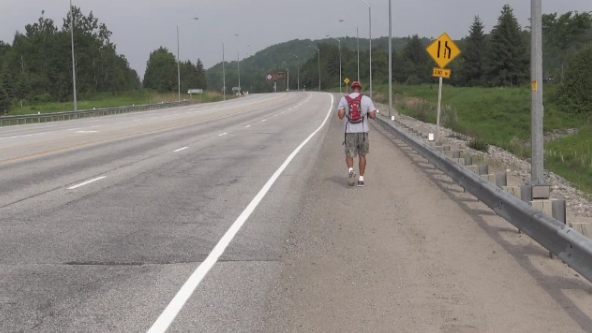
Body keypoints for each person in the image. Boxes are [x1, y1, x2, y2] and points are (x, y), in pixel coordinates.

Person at [337, 81, 377, 187]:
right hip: (363, 131)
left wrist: (345, 110)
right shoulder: (367, 99)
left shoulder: (344, 99)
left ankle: (351, 170)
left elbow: (340, 116)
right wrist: (366, 112)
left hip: (349, 131)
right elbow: (373, 116)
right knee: (362, 155)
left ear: (351, 89)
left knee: (349, 154)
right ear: (360, 89)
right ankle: (361, 179)